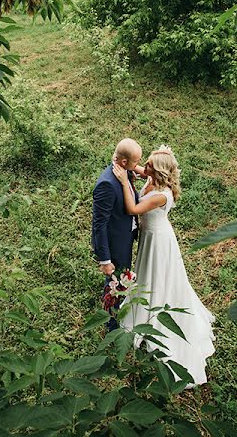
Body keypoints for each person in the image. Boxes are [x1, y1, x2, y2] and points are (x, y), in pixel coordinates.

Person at [111, 146, 216, 386]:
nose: (143, 169)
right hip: (150, 236)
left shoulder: (162, 195)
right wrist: (122, 162)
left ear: (159, 173)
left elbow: (133, 209)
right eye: (145, 164)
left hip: (158, 240)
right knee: (147, 272)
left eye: (148, 166)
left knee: (157, 275)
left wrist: (124, 183)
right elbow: (137, 168)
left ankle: (155, 311)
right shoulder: (151, 178)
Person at [91, 138, 142, 330]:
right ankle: (111, 325)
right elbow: (99, 225)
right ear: (123, 162)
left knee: (122, 278)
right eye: (136, 162)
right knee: (115, 281)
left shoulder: (124, 171)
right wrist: (104, 259)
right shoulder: (107, 184)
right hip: (115, 243)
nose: (138, 166)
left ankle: (115, 312)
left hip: (125, 236)